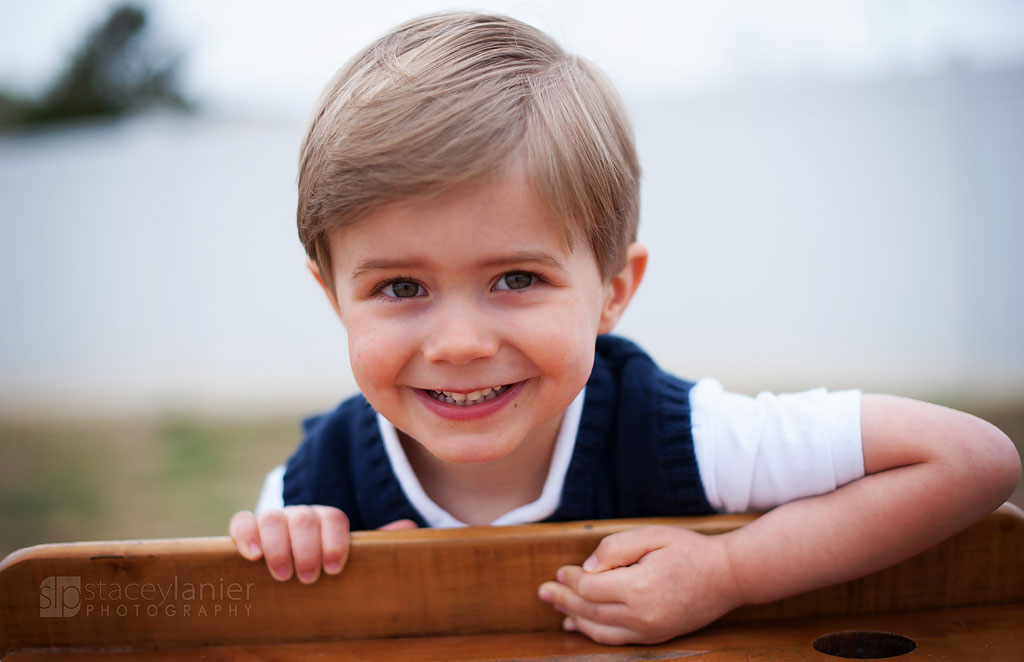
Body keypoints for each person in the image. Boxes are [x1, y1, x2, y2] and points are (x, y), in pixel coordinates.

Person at [228, 11, 1021, 645]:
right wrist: (291, 560)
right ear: (335, 298)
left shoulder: (685, 436)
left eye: (516, 279)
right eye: (401, 287)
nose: (459, 342)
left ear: (613, 291)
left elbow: (972, 459)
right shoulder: (308, 490)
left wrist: (731, 573)